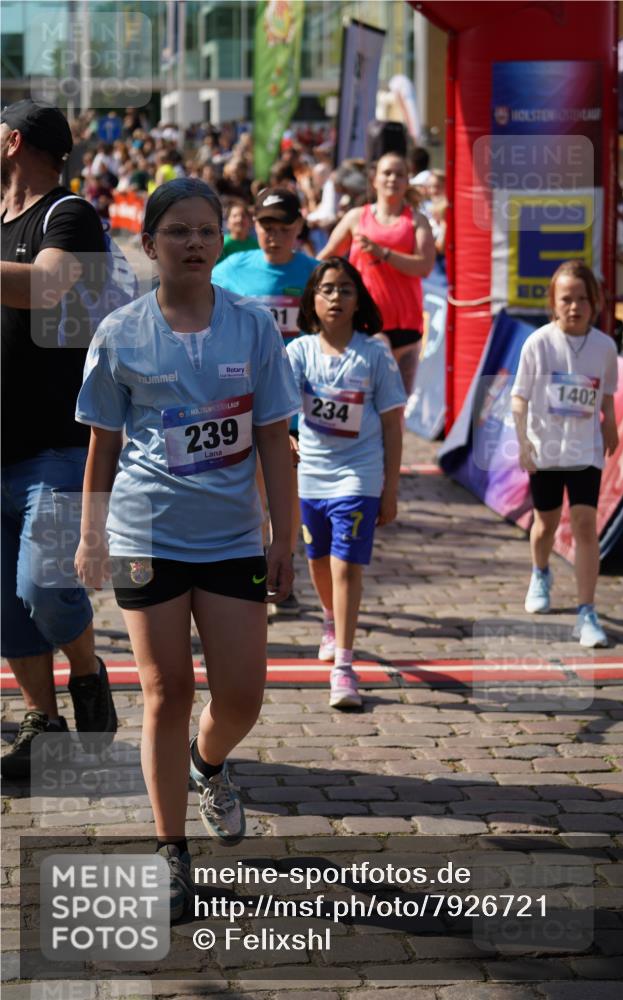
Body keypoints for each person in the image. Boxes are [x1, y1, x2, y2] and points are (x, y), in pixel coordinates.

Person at [74, 178, 299, 920]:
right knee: (166, 691)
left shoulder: (253, 328)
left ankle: (209, 764)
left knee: (241, 694)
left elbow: (272, 437)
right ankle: (171, 852)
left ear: (220, 241)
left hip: (233, 535)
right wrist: (89, 534)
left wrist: (282, 536)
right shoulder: (121, 331)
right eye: (178, 232)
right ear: (150, 245)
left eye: (206, 231)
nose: (195, 242)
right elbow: (104, 444)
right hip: (146, 533)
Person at [0, 99, 117, 781]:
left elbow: (46, 289)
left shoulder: (67, 215)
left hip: (55, 443)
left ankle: (87, 666)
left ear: (14, 142)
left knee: (43, 586)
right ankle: (43, 720)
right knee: (5, 605)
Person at [288, 258, 405, 708]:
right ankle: (331, 619)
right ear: (312, 302)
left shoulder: (375, 354)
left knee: (345, 566)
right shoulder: (298, 352)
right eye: (327, 289)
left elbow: (394, 425)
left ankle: (344, 667)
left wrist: (389, 489)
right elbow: (277, 410)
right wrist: (288, 436)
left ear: (359, 302)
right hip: (313, 475)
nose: (336, 297)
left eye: (346, 290)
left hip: (359, 475)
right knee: (317, 561)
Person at [212, 187, 319, 615]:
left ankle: (282, 564)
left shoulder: (314, 273)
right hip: (244, 398)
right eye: (266, 227)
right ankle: (262, 571)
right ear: (254, 226)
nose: (274, 236)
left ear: (298, 228)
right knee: (254, 490)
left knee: (285, 490)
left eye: (284, 228)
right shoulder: (231, 269)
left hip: (295, 401)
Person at [511, 260, 619, 648]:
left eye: (582, 299)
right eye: (566, 299)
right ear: (553, 303)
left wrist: (611, 423)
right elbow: (519, 398)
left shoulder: (605, 346)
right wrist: (523, 443)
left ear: (596, 302)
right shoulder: (538, 343)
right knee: (546, 524)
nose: (574, 307)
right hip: (546, 451)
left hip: (585, 451)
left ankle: (586, 610)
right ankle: (540, 572)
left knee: (586, 524)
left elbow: (606, 393)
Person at [319, 153, 436, 397]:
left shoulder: (416, 220)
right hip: (366, 323)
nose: (393, 179)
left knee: (397, 407)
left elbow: (424, 266)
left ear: (407, 181)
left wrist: (383, 253)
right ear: (374, 180)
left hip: (407, 326)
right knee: (365, 405)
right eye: (387, 173)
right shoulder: (356, 217)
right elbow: (327, 257)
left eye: (399, 174)